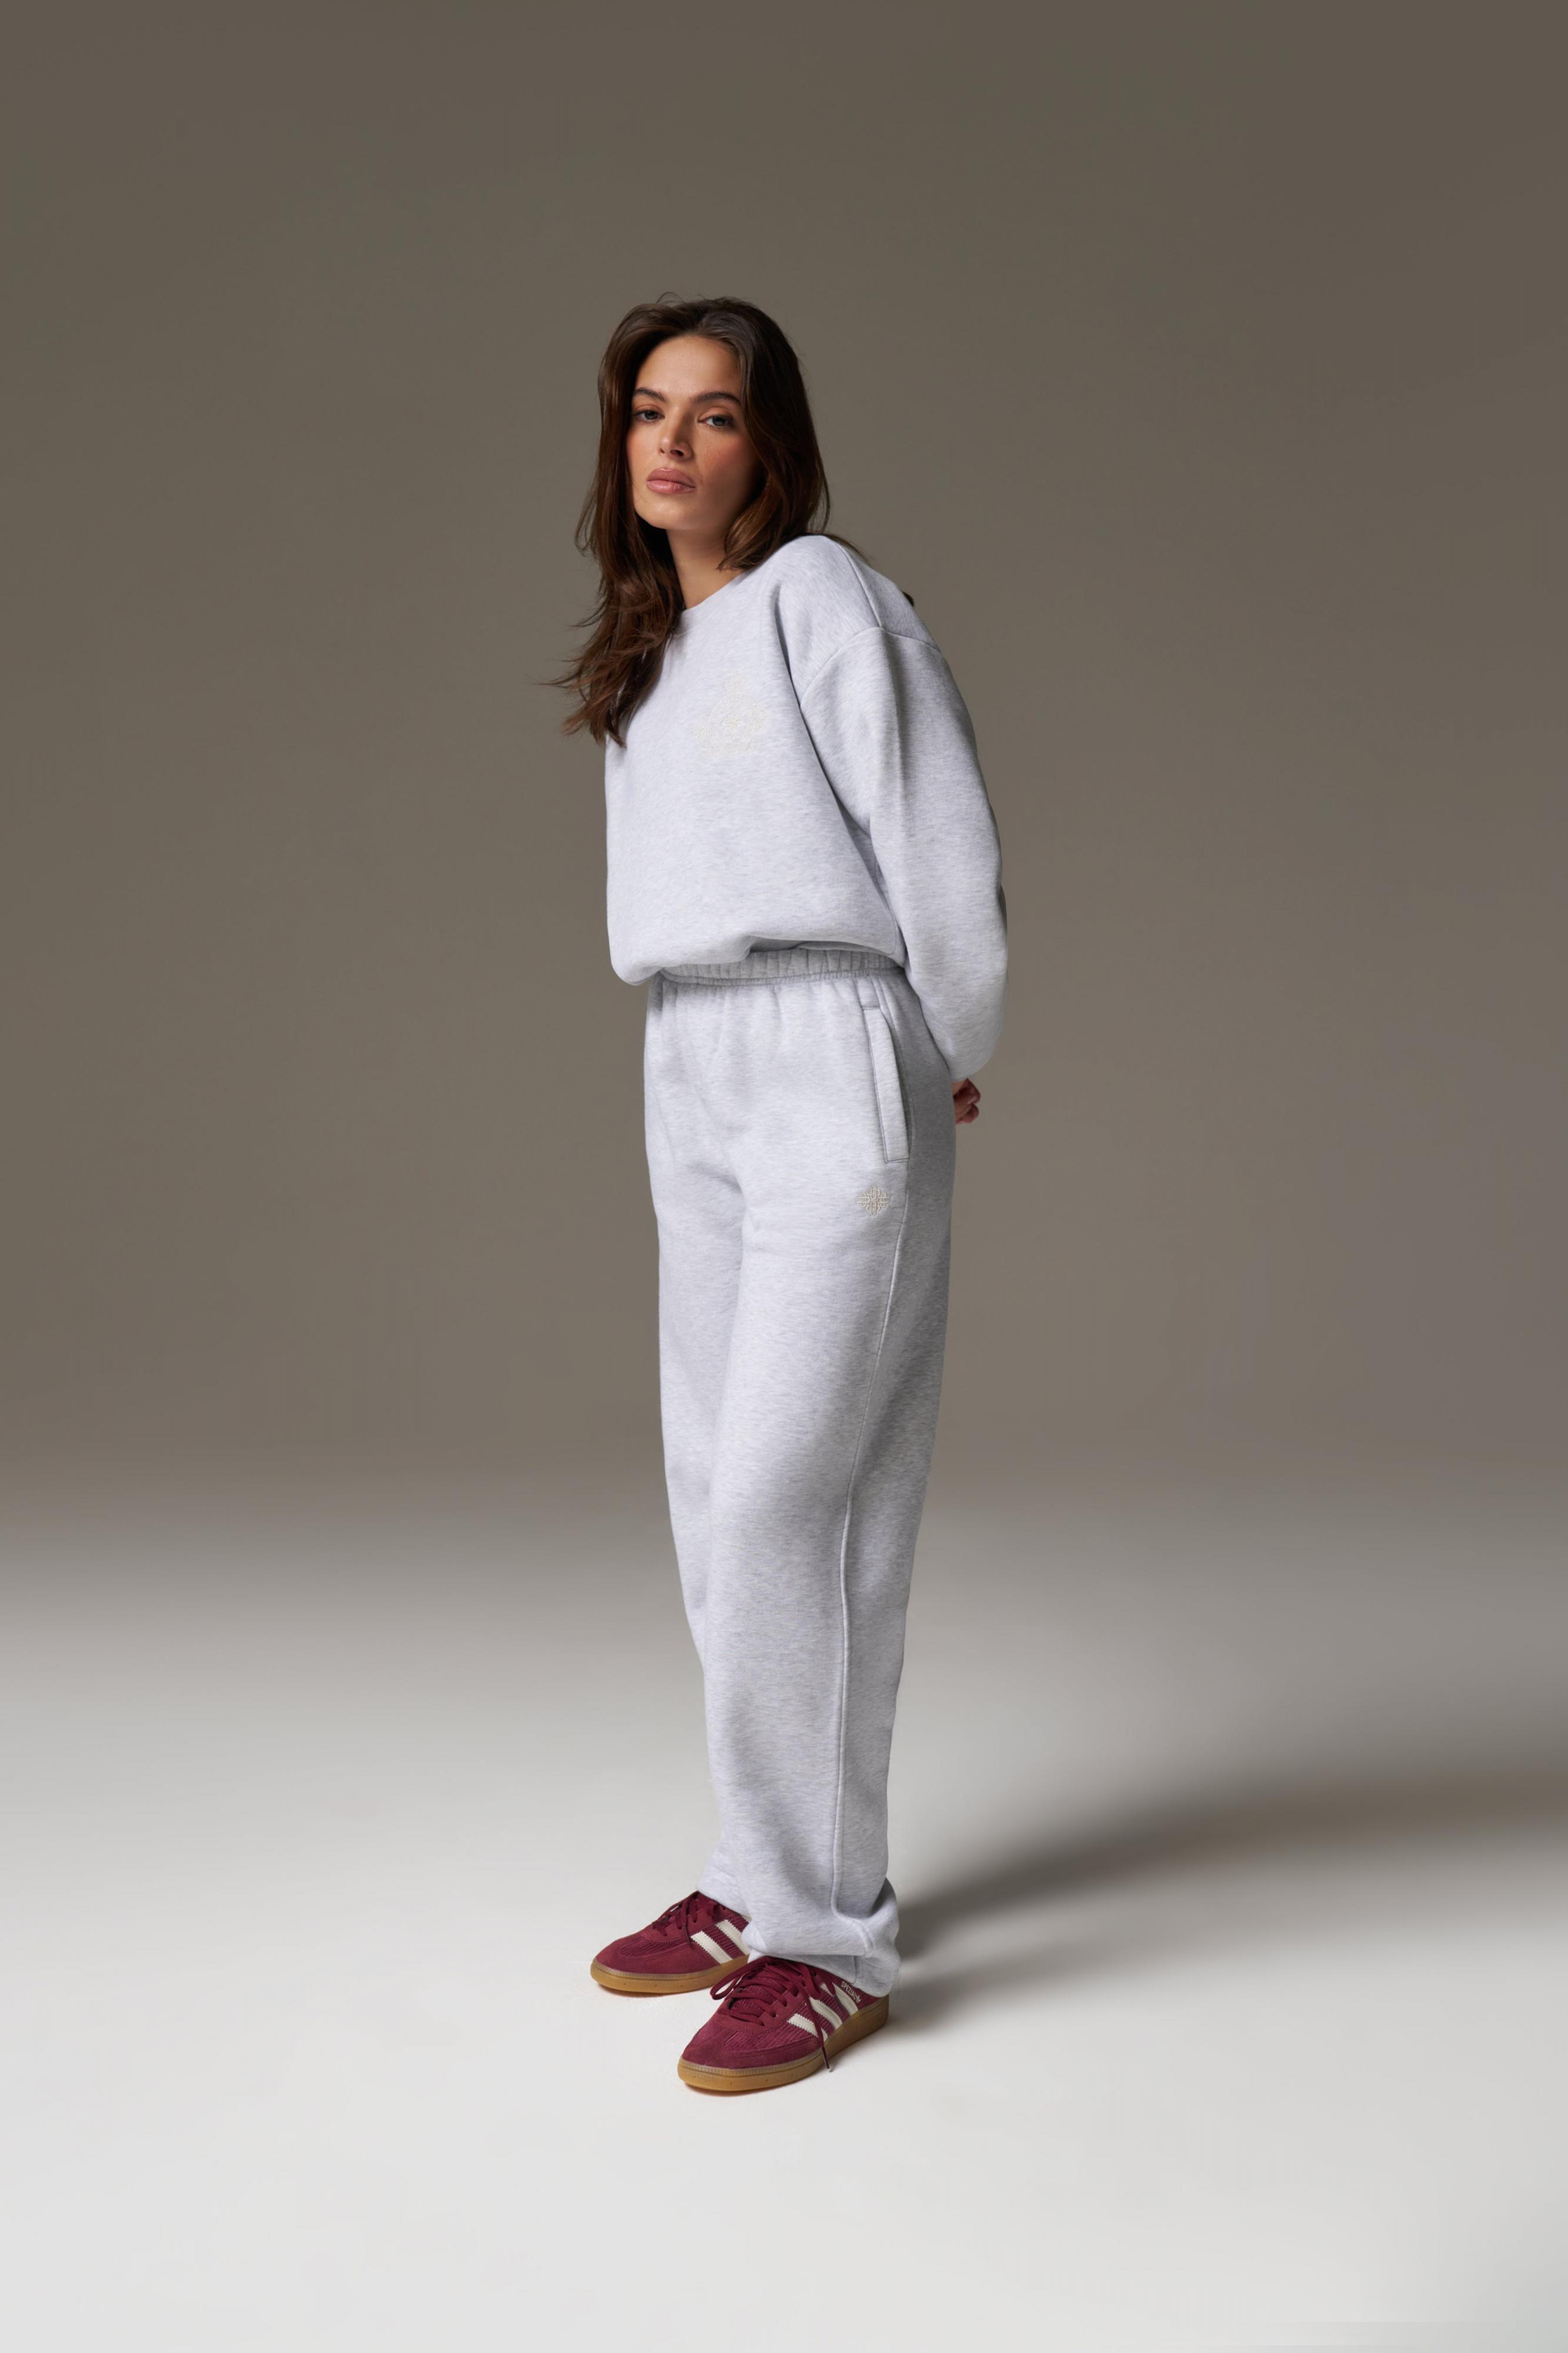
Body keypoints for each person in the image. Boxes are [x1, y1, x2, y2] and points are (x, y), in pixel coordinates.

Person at [553, 295, 1008, 2094]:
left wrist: (944, 1037)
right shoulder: (646, 656)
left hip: (830, 1042)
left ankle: (829, 1939)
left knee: (789, 1504)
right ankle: (761, 1876)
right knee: (710, 1493)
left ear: (772, 448)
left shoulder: (822, 595)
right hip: (690, 1054)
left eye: (715, 413)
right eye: (647, 412)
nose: (672, 443)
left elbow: (934, 828)